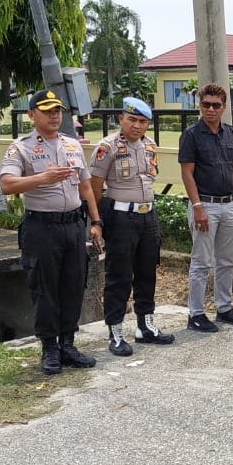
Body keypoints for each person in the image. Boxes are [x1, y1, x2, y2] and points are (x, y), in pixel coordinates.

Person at [0, 89, 102, 375]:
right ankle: (49, 348)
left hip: (73, 226)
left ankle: (68, 344)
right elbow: (7, 184)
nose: (55, 115)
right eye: (47, 110)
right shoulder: (20, 147)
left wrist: (96, 223)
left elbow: (85, 187)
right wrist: (41, 178)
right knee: (45, 289)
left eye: (57, 110)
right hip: (41, 228)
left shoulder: (72, 145)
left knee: (73, 285)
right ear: (32, 115)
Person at [89, 97, 174, 356]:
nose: (137, 126)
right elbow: (94, 187)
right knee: (119, 276)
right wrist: (98, 221)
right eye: (132, 120)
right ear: (120, 119)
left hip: (148, 216)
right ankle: (115, 332)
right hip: (121, 217)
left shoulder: (150, 146)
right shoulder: (107, 147)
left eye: (143, 121)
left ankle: (145, 326)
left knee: (147, 272)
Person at [178, 83, 233, 333]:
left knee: (226, 260)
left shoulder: (230, 133)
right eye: (206, 104)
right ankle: (196, 314)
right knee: (201, 262)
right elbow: (187, 174)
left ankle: (224, 307)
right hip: (206, 204)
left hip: (229, 204)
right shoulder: (191, 135)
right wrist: (197, 207)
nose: (210, 109)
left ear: (224, 107)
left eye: (216, 105)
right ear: (200, 105)